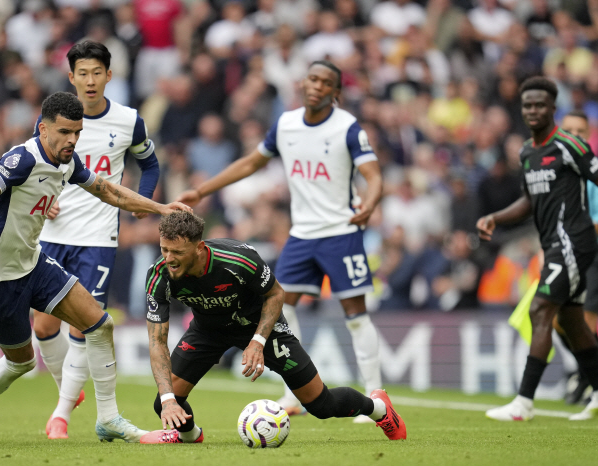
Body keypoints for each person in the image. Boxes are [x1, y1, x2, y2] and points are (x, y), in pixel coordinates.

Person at [0, 91, 190, 441]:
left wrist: (160, 208)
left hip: (32, 263)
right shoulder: (23, 160)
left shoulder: (67, 162)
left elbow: (108, 190)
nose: (72, 140)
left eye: (76, 132)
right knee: (22, 362)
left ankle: (108, 418)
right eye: (64, 132)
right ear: (43, 129)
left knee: (101, 326)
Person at [176, 60, 384, 419]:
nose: (317, 85)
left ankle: (375, 395)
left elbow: (373, 173)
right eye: (313, 78)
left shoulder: (347, 127)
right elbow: (250, 163)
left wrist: (372, 199)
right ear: (303, 83)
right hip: (301, 235)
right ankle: (293, 391)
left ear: (336, 93)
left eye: (326, 82)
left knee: (355, 315)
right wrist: (201, 190)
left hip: (340, 231)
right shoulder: (286, 124)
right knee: (281, 307)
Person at [139, 211, 405, 444]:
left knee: (321, 405)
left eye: (177, 252)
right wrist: (169, 401)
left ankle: (379, 408)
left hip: (260, 326)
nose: (169, 259)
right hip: (208, 330)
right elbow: (157, 341)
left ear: (199, 248)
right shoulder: (159, 275)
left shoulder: (238, 259)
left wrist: (257, 341)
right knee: (164, 400)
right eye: (164, 249)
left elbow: (276, 295)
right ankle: (190, 435)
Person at [30, 41, 161, 440]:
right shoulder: (54, 117)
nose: (89, 80)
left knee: (86, 328)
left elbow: (150, 164)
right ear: (71, 77)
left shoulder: (128, 121)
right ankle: (68, 393)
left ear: (109, 75)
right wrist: (43, 199)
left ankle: (60, 416)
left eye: (96, 72)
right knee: (42, 324)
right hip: (51, 235)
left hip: (98, 239)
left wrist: (144, 200)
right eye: (81, 73)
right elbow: (34, 167)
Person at [477, 77, 598, 421]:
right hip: (555, 244)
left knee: (540, 309)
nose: (533, 110)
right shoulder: (528, 152)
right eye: (528, 105)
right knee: (572, 322)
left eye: (540, 105)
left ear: (552, 109)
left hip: (574, 241)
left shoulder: (569, 146)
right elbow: (529, 200)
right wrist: (495, 217)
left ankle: (524, 403)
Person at [555, 110, 598, 404]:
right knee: (557, 318)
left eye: (580, 131)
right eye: (569, 131)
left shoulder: (592, 171)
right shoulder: (558, 170)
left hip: (592, 253)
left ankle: (588, 380)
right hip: (567, 253)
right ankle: (585, 373)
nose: (575, 136)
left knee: (587, 320)